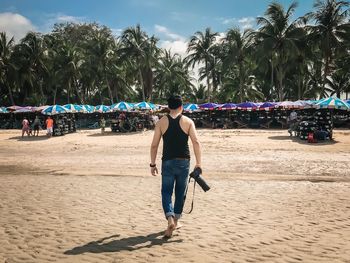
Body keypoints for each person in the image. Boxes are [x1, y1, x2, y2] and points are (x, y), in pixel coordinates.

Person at [150, 95, 202, 238]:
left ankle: (170, 219)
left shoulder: (161, 122)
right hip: (183, 161)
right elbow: (196, 142)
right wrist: (198, 163)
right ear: (181, 107)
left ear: (168, 107)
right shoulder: (188, 121)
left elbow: (154, 145)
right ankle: (176, 221)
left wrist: (153, 164)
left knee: (166, 192)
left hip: (167, 161)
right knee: (180, 192)